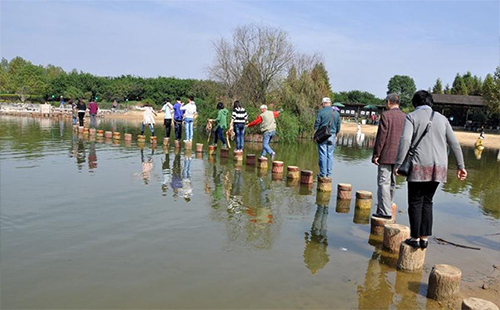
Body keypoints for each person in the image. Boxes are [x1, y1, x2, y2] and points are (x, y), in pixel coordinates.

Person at [395, 90, 467, 249]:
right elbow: (454, 143)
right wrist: (461, 166)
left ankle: (414, 238)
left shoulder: (412, 117)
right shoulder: (442, 119)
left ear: (415, 104)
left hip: (419, 166)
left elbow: (405, 140)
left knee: (415, 202)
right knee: (428, 201)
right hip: (439, 168)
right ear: (430, 103)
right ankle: (424, 238)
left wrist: (399, 164)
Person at [371, 94, 406, 219]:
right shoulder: (405, 117)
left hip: (386, 154)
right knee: (392, 182)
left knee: (383, 182)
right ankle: (388, 205)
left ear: (389, 102)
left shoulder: (386, 115)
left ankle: (384, 211)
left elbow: (381, 137)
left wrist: (376, 154)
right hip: (399, 156)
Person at [313, 97, 341, 178]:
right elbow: (338, 125)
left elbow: (317, 124)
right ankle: (329, 174)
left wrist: (315, 134)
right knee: (330, 155)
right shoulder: (336, 113)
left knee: (322, 154)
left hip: (323, 135)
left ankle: (322, 173)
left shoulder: (321, 111)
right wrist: (336, 134)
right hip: (332, 135)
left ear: (324, 103)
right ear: (330, 103)